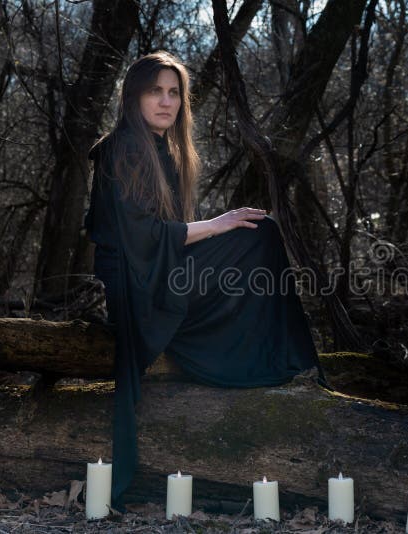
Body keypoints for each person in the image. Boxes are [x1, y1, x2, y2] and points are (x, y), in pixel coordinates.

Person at [83, 50, 331, 512]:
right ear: (133, 96)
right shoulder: (123, 148)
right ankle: (273, 360)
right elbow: (144, 240)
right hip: (138, 289)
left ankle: (278, 360)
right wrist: (219, 224)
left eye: (174, 92)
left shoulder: (164, 151)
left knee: (261, 233)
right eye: (155, 91)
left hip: (160, 274)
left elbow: (171, 240)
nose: (166, 101)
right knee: (255, 235)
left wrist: (221, 228)